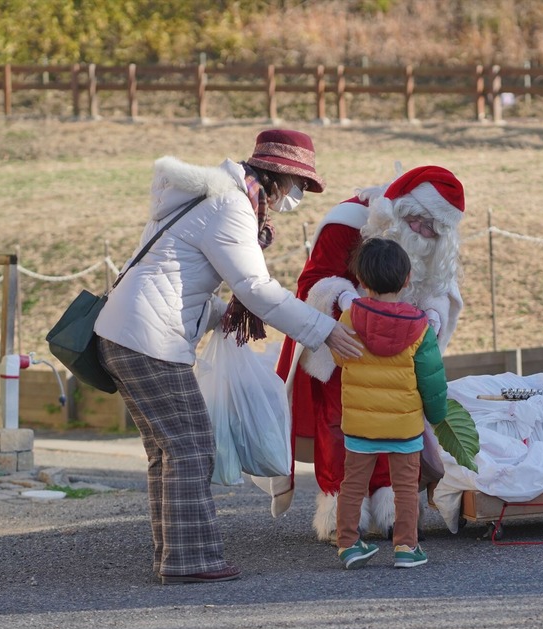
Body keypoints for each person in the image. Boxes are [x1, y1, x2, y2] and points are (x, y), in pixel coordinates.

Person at [94, 129, 363, 584]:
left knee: (169, 451)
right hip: (148, 339)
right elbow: (256, 289)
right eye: (298, 187)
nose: (296, 198)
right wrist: (324, 330)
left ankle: (173, 555)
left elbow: (175, 272)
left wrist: (219, 314)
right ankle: (189, 560)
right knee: (191, 446)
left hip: (126, 332)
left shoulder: (210, 197)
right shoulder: (231, 205)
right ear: (277, 177)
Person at [268, 165, 466, 542]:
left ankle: (391, 507)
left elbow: (438, 286)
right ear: (399, 209)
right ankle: (341, 508)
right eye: (419, 221)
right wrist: (345, 301)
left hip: (399, 350)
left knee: (395, 425)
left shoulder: (433, 242)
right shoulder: (347, 223)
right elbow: (314, 280)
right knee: (339, 424)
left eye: (434, 228)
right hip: (343, 339)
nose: (424, 232)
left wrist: (434, 317)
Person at [331, 237, 448, 569]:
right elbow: (431, 377)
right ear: (407, 279)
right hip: (404, 427)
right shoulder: (419, 327)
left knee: (353, 485)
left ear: (363, 282)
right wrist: (438, 415)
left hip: (360, 426)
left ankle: (349, 544)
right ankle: (406, 548)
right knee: (406, 488)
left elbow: (339, 357)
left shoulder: (351, 317)